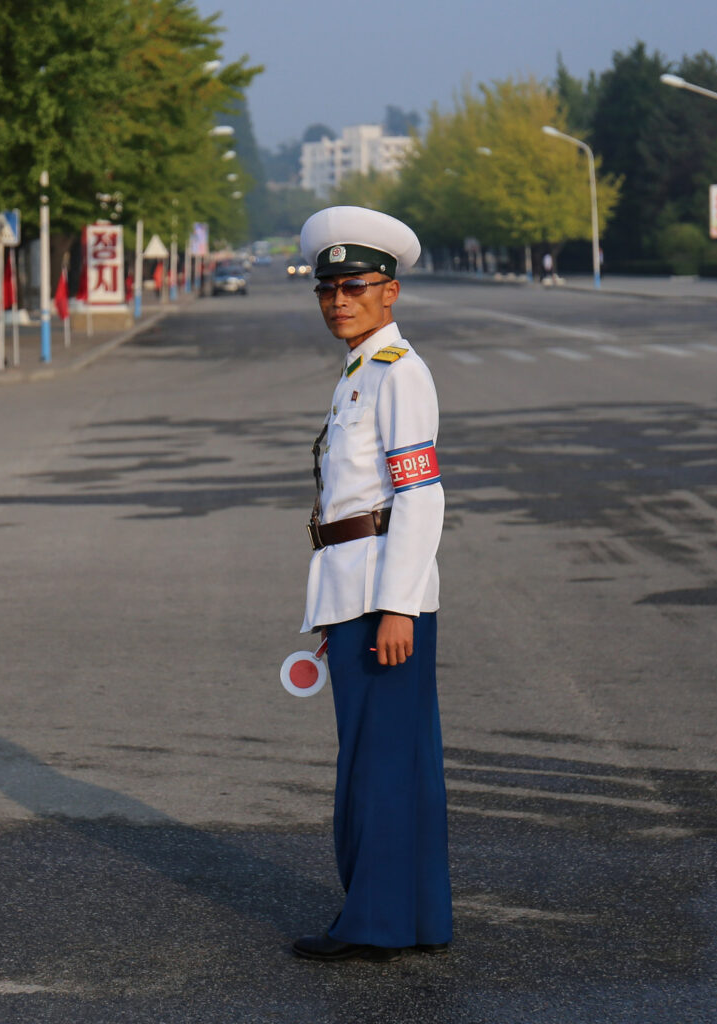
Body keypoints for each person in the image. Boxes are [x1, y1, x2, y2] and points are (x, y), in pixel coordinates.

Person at [288, 206, 451, 964]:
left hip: (384, 597)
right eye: (328, 289)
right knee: (399, 760)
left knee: (377, 766)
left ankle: (374, 925)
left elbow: (420, 498)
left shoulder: (399, 374)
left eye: (354, 287)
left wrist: (396, 608)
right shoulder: (360, 371)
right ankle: (416, 916)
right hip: (357, 590)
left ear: (390, 292)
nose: (338, 301)